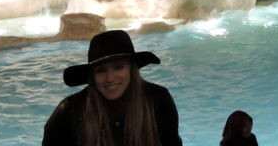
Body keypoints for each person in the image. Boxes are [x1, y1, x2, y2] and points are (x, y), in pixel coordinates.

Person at [42, 29, 182, 146]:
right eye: (101, 70)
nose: (110, 78)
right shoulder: (69, 110)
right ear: (92, 76)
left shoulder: (158, 100)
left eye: (118, 67)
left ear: (131, 69)